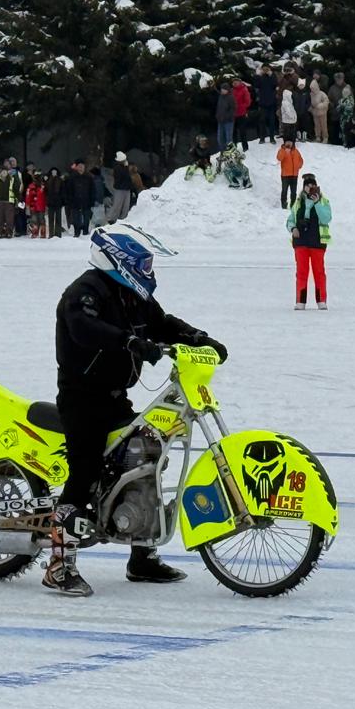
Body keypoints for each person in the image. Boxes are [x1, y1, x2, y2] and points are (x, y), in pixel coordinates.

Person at [48, 224, 229, 596]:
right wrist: (130, 342)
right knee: (83, 473)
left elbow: (162, 323)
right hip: (82, 398)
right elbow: (85, 329)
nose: (149, 272)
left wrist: (198, 338)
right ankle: (58, 565)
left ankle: (142, 558)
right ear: (118, 260)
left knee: (146, 457)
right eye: (143, 264)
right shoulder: (85, 292)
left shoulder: (133, 295)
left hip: (115, 398)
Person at [286, 173, 331, 310]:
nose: (310, 188)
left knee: (319, 272)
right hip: (301, 242)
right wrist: (293, 228)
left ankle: (321, 300)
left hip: (317, 241)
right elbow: (290, 219)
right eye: (307, 185)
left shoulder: (323, 201)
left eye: (312, 185)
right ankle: (300, 301)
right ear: (304, 187)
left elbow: (326, 219)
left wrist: (317, 203)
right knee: (301, 272)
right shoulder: (298, 201)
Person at [65, 159, 95, 237]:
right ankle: (76, 233)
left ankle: (85, 233)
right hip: (75, 201)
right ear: (77, 167)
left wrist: (92, 200)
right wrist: (69, 200)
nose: (81, 168)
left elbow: (92, 190)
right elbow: (68, 190)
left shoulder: (89, 177)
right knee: (76, 219)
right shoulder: (72, 177)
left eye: (82, 166)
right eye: (79, 166)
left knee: (86, 219)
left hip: (86, 201)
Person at [0, 160, 21, 238]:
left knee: (9, 219)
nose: (4, 173)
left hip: (9, 202)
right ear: (0, 172)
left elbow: (16, 190)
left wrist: (20, 200)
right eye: (2, 172)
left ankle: (9, 233)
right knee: (0, 219)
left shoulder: (12, 179)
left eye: (5, 171)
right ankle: (0, 233)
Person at [276, 136, 303, 209]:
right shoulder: (282, 150)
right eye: (287, 142)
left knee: (293, 191)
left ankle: (293, 204)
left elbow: (301, 160)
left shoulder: (296, 151)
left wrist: (298, 166)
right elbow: (279, 158)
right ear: (284, 143)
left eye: (290, 142)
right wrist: (284, 151)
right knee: (284, 190)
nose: (289, 143)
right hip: (285, 175)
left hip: (294, 175)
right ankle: (283, 204)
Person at [255, 64, 278, 143]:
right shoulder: (260, 77)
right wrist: (258, 75)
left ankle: (272, 137)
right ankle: (262, 138)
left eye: (266, 69)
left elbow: (275, 84)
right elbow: (256, 85)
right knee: (262, 121)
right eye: (263, 69)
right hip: (262, 103)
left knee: (272, 121)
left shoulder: (272, 76)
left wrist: (271, 75)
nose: (265, 70)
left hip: (271, 103)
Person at [108, 151, 133, 222]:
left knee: (126, 205)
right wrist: (126, 168)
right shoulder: (118, 168)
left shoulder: (124, 167)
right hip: (120, 188)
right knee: (117, 205)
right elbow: (122, 177)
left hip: (126, 188)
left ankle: (123, 218)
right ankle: (112, 219)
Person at [232, 77, 252, 150]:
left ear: (239, 82)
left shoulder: (244, 90)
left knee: (242, 131)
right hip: (233, 114)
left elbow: (248, 102)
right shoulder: (232, 90)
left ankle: (245, 147)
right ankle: (234, 147)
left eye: (236, 82)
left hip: (241, 113)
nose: (234, 83)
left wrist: (239, 106)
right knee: (233, 132)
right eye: (233, 82)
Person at [44, 166, 65, 238]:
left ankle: (58, 234)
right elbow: (45, 191)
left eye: (55, 172)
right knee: (51, 219)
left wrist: (63, 201)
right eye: (52, 172)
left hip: (58, 202)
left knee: (58, 218)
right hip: (50, 202)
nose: (54, 173)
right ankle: (51, 234)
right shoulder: (48, 180)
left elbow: (62, 191)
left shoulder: (60, 180)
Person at [215, 80, 235, 151]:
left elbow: (233, 109)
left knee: (228, 139)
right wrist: (217, 116)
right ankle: (223, 152)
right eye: (222, 89)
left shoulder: (231, 97)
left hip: (228, 121)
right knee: (220, 138)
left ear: (227, 90)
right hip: (220, 120)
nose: (222, 91)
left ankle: (230, 152)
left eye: (224, 89)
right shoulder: (220, 96)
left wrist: (227, 117)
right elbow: (218, 108)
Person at [25, 172, 47, 238]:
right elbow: (28, 196)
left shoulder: (43, 186)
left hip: (41, 206)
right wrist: (27, 206)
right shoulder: (30, 186)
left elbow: (46, 197)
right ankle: (35, 233)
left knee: (42, 220)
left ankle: (43, 234)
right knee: (34, 220)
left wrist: (46, 206)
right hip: (33, 206)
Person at [309, 79, 330, 145]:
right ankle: (318, 136)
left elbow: (326, 101)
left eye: (313, 88)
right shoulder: (311, 94)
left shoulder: (321, 93)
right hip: (315, 113)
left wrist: (321, 105)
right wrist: (311, 109)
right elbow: (309, 102)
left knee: (323, 125)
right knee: (317, 125)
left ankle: (325, 137)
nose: (312, 89)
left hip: (322, 112)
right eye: (311, 88)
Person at [327, 72, 345, 144]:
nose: (339, 81)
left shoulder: (347, 87)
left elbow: (350, 99)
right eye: (337, 79)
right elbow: (328, 99)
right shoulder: (332, 88)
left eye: (340, 79)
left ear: (343, 79)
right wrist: (332, 106)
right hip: (334, 111)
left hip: (343, 111)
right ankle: (334, 141)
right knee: (334, 128)